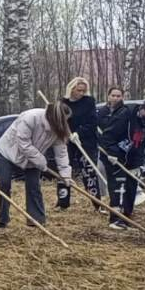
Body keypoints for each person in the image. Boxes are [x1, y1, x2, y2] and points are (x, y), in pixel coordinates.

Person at [0, 101, 72, 229]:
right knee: (4, 184)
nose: (66, 123)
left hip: (33, 159)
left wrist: (65, 175)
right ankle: (3, 220)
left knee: (34, 187)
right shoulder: (30, 118)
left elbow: (61, 153)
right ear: (56, 117)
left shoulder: (59, 129)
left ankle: (36, 221)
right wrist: (41, 161)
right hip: (9, 152)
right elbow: (24, 144)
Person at [98, 95, 145, 230]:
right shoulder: (125, 114)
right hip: (114, 157)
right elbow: (108, 136)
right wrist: (111, 153)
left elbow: (141, 144)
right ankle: (115, 219)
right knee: (117, 187)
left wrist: (138, 164)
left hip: (131, 158)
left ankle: (126, 216)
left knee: (131, 187)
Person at [58, 77, 101, 209]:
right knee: (64, 170)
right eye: (79, 90)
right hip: (67, 141)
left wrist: (79, 133)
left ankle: (97, 204)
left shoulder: (89, 102)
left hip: (86, 141)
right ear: (71, 89)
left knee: (89, 172)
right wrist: (66, 133)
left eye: (83, 90)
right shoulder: (62, 102)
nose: (81, 93)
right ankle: (63, 203)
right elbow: (58, 121)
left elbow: (93, 122)